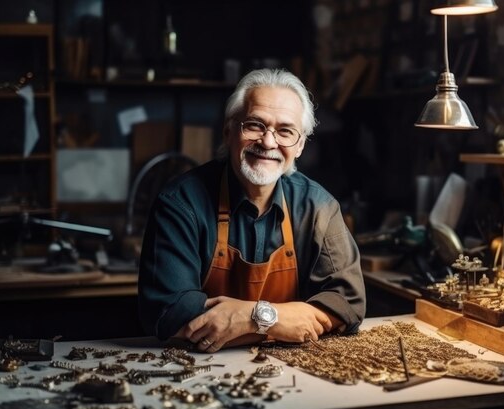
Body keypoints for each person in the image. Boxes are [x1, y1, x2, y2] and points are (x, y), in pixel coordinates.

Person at [138, 68, 366, 352]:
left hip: (291, 372)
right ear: (228, 131)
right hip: (191, 368)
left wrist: (251, 318)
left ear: (300, 146)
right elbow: (168, 313)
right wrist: (287, 324)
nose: (268, 143)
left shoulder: (319, 207)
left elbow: (348, 305)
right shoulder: (181, 202)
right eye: (255, 125)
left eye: (285, 131)